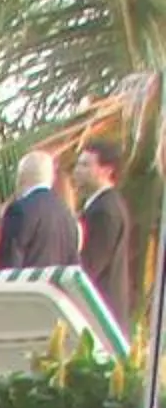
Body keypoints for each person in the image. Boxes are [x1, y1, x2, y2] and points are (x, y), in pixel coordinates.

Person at [77, 135, 134, 330]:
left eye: (85, 165)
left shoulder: (105, 211)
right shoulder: (101, 205)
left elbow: (90, 266)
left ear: (107, 170)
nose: (78, 171)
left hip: (101, 315)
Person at [0, 148, 81, 271]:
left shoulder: (19, 210)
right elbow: (73, 265)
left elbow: (8, 264)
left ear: (21, 177)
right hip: (54, 289)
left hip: (27, 288)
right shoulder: (67, 215)